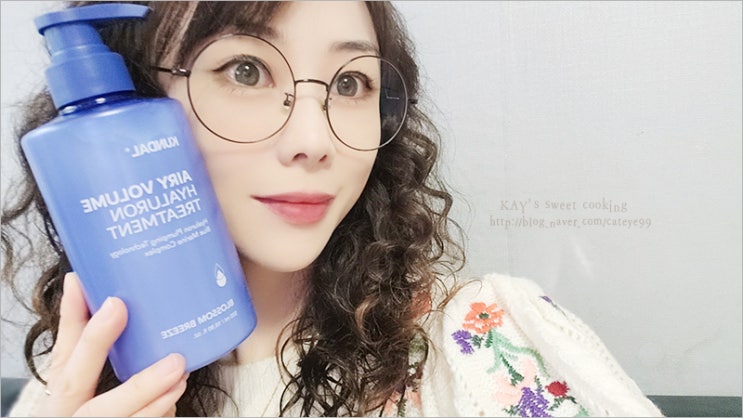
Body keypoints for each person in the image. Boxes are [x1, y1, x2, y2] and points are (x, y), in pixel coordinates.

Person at [2, 1, 663, 416]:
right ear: (131, 102)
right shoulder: (72, 390)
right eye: (245, 70)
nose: (315, 141)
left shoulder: (488, 343)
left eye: (350, 83)